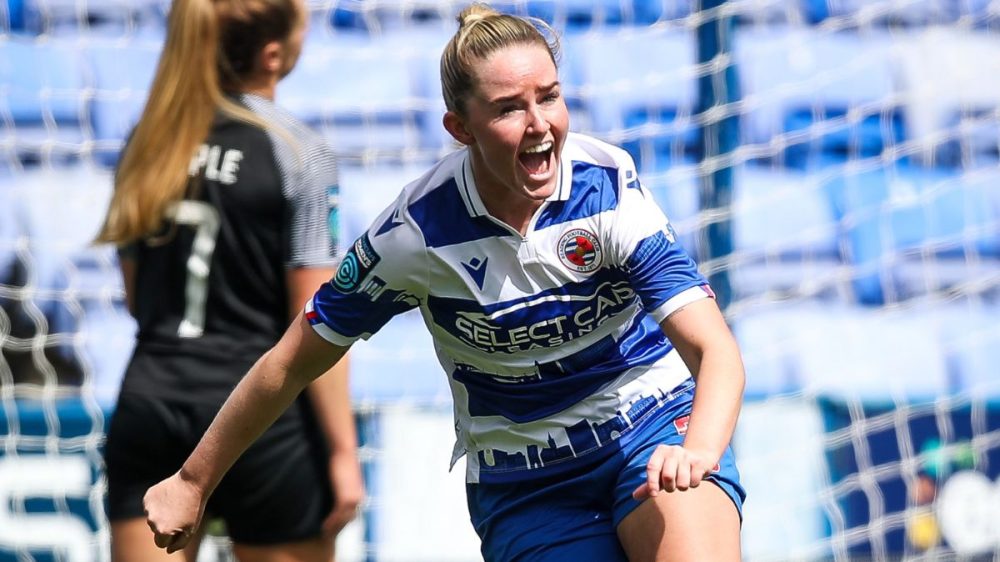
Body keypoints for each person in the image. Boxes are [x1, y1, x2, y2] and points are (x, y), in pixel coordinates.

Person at [144, 2, 746, 560]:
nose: (540, 125)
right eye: (510, 107)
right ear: (459, 127)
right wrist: (193, 480)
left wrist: (699, 449)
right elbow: (291, 362)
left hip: (649, 428)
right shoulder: (414, 235)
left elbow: (714, 350)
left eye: (550, 98)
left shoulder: (607, 186)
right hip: (526, 482)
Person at [95, 0, 364, 559]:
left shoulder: (147, 141)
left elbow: (133, 295)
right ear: (273, 56)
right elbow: (317, 318)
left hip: (151, 400)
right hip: (261, 421)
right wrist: (343, 453)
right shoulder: (300, 151)